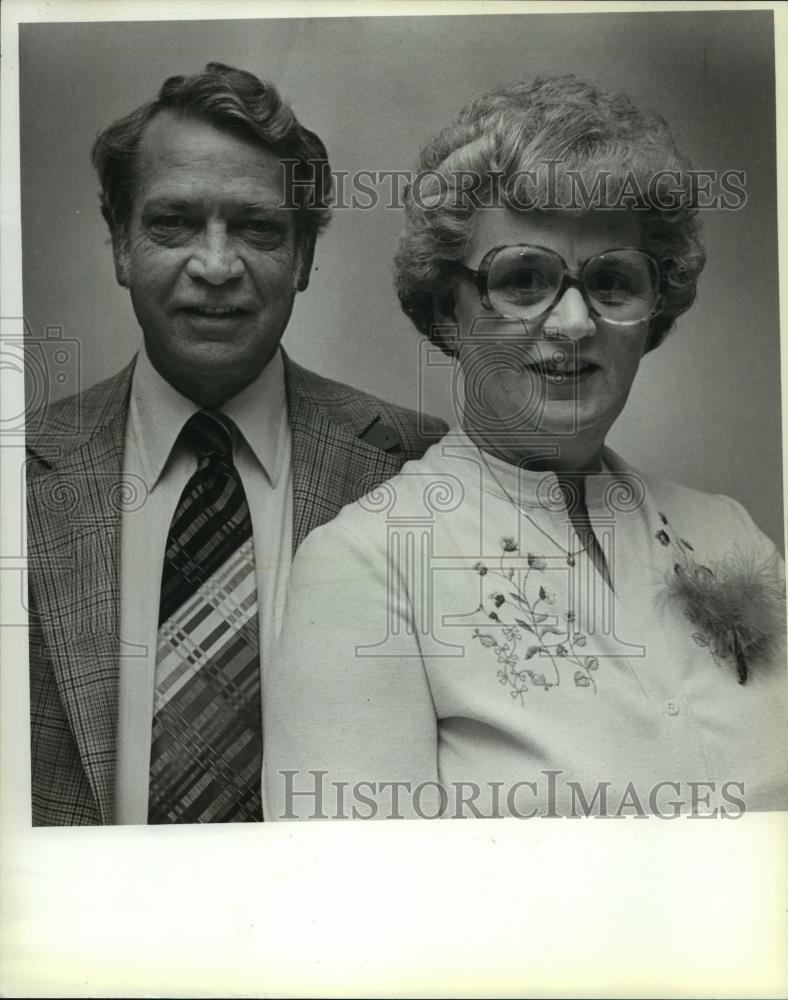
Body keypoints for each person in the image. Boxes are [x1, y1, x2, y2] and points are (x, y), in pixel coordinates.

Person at [263, 76, 787, 821]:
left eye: (612, 281)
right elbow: (356, 913)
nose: (574, 323)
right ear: (450, 310)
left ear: (654, 310)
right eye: (523, 279)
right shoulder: (367, 567)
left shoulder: (732, 536)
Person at [26, 63, 446, 826]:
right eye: (174, 224)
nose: (215, 267)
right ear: (120, 245)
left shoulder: (423, 469)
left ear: (305, 258)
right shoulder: (16, 477)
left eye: (257, 228)